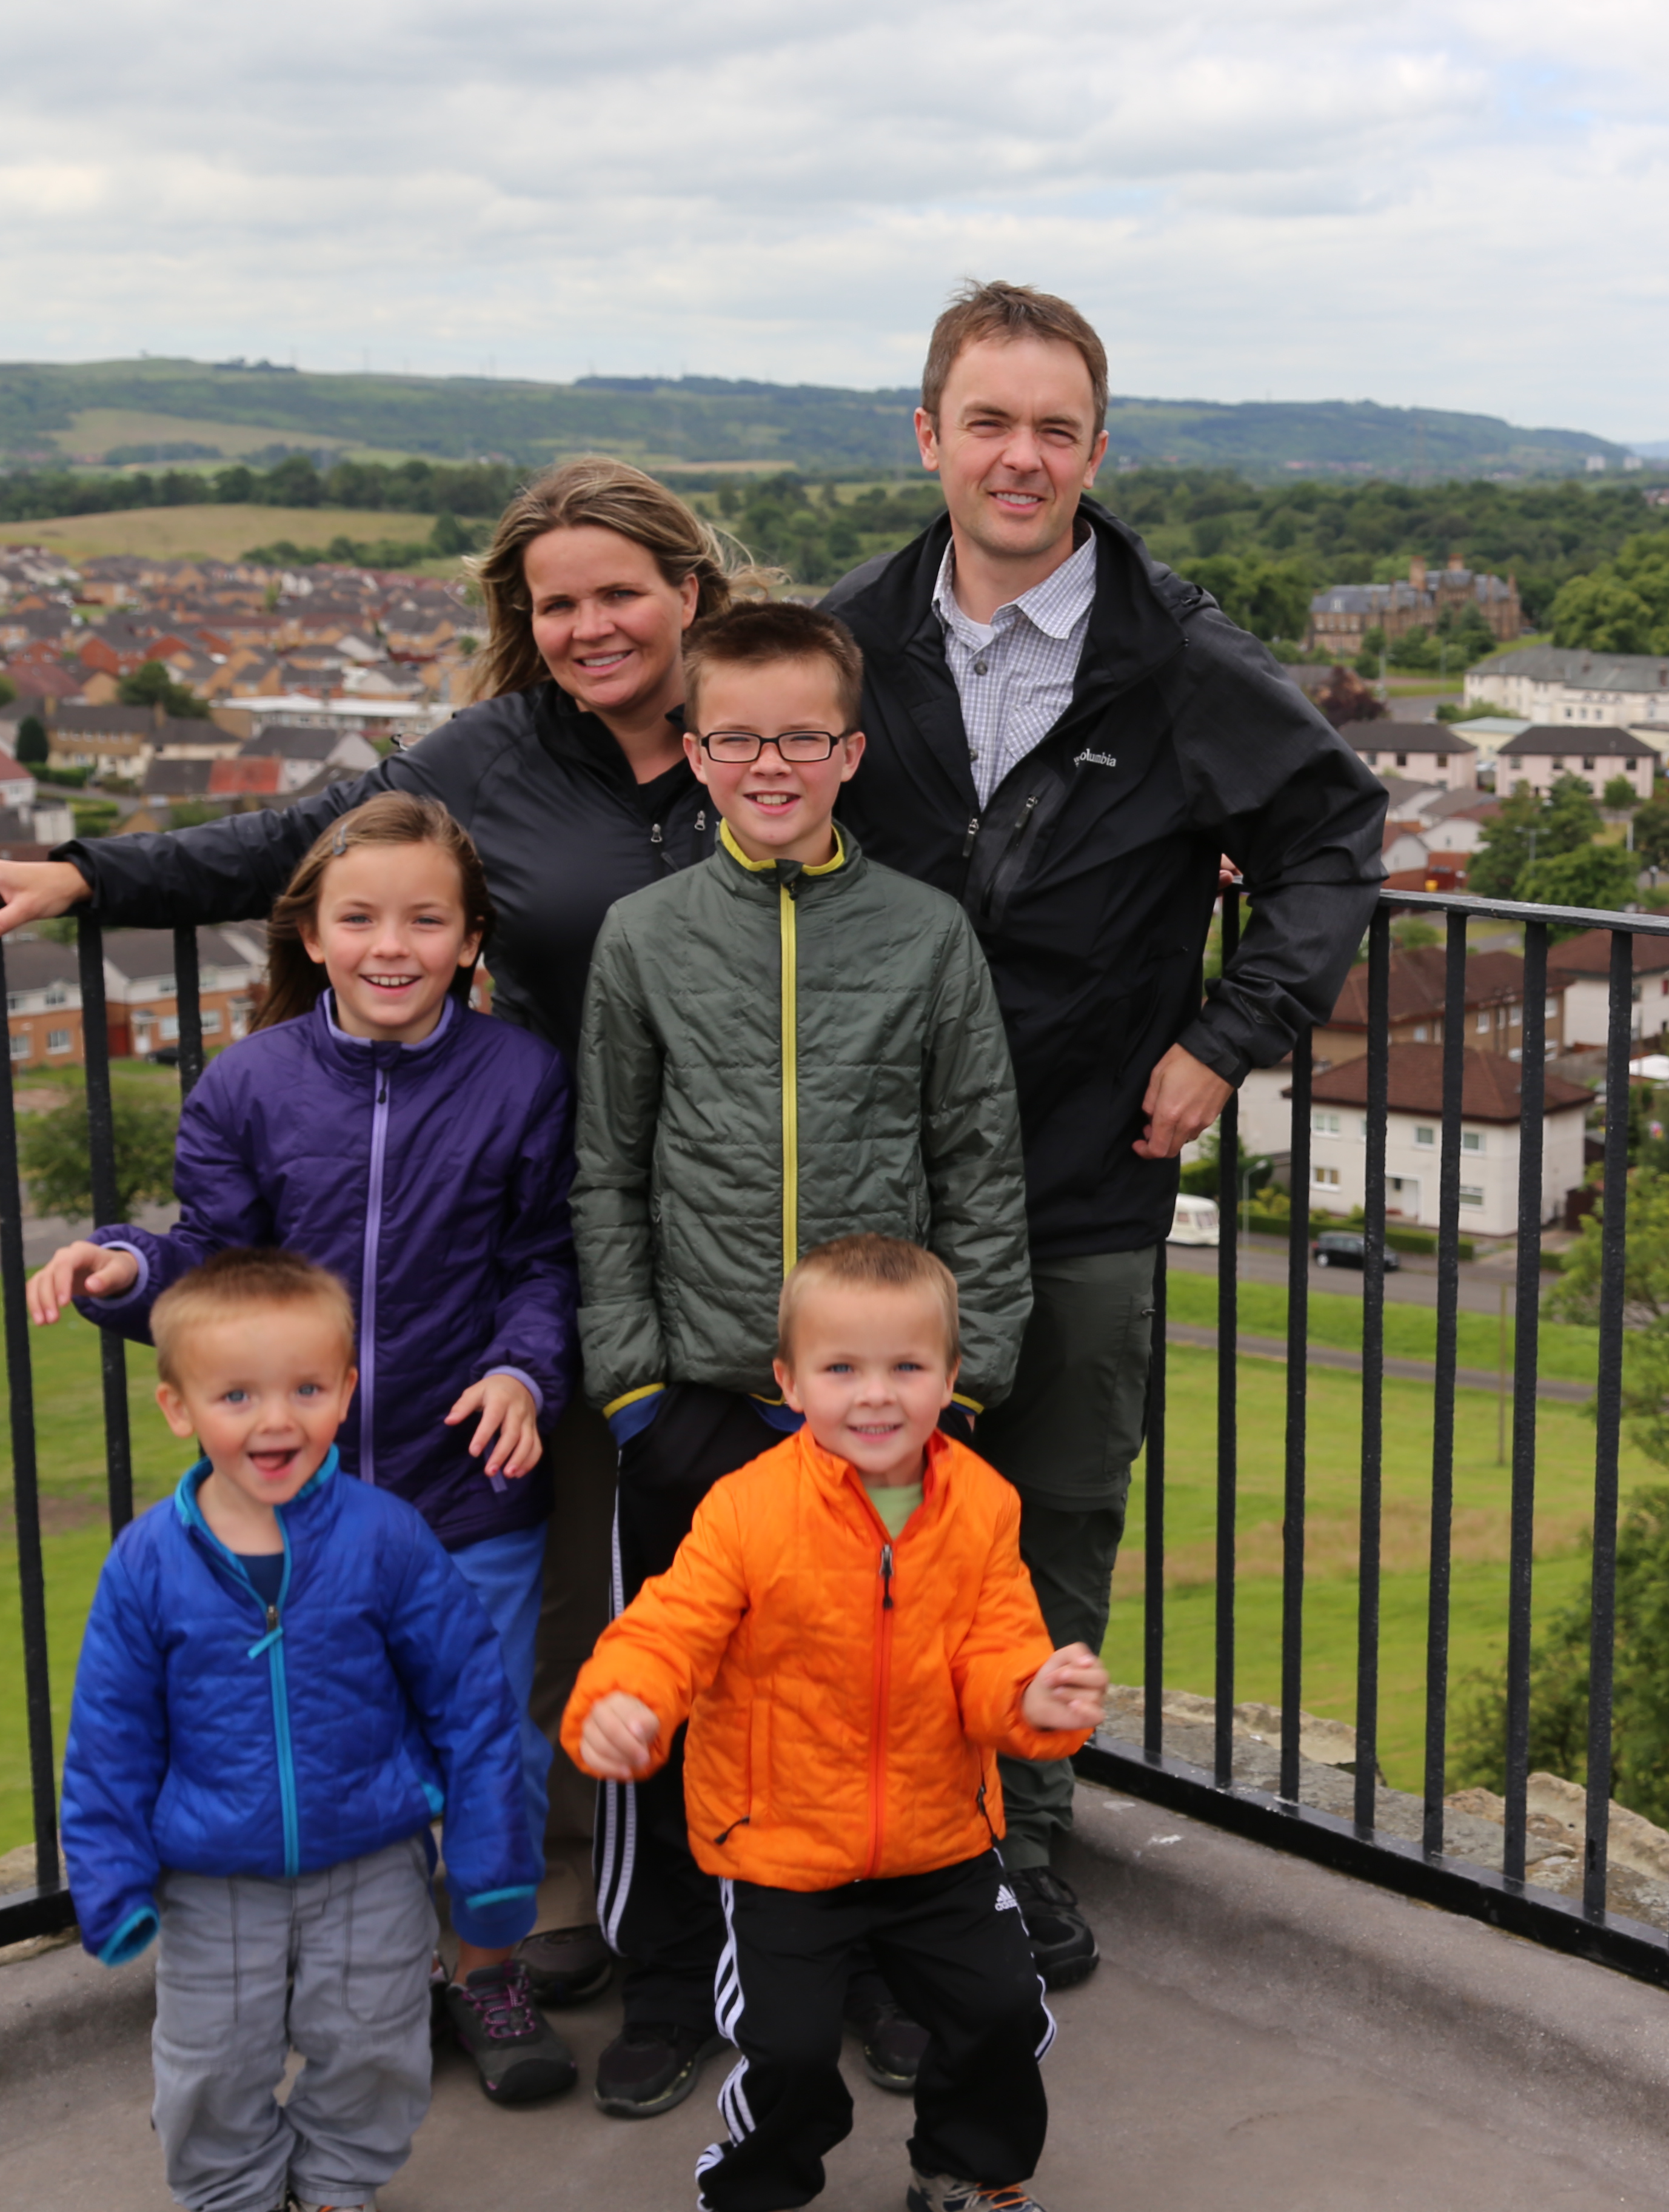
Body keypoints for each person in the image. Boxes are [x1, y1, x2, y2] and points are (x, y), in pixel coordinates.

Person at [0, 457, 771, 2022]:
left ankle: (748, 1921)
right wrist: (89, 875)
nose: (588, 626)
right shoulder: (489, 760)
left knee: (723, 1589)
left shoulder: (764, 734)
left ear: (690, 591)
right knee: (580, 1597)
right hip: (557, 1229)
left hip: (745, 1226)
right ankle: (546, 1926)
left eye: (617, 593)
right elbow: (309, 843)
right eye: (554, 601)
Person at [821, 281, 1385, 2018]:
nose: (1021, 456)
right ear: (928, 438)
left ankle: (1012, 1850)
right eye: (987, 421)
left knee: (1054, 1521)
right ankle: (859, 1859)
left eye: (1055, 428)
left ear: (1097, 450)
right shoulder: (847, 645)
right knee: (858, 1529)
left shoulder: (1178, 660)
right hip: (877, 1184)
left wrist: (1225, 1041)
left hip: (1083, 1165)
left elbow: (1331, 840)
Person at [28, 791, 581, 2104]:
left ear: (469, 937)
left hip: (470, 1497)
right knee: (333, 1752)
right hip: (300, 1510)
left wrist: (522, 1370)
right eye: (361, 918)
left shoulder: (522, 1078)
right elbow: (216, 1263)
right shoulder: (249, 1084)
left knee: (485, 1744)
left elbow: (543, 1265)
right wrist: (126, 1267)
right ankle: (364, 1995)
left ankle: (487, 1972)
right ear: (314, 935)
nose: (392, 945)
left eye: (425, 919)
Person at [572, 597, 1032, 2122]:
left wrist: (959, 1386)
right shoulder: (644, 938)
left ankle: (884, 1971)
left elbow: (978, 1163)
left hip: (883, 1415)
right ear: (693, 751)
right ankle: (664, 1977)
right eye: (739, 737)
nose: (773, 763)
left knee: (879, 1701)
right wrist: (635, 1386)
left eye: (804, 737)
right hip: (698, 1395)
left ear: (850, 749)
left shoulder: (923, 931)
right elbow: (608, 1169)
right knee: (682, 1691)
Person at [567, 1235, 1106, 2212]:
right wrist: (626, 1702)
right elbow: (669, 1627)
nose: (876, 1396)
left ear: (951, 1377)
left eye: (907, 1367)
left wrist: (1029, 1702)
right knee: (790, 2051)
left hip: (941, 1838)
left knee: (1000, 2012)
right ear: (789, 1382)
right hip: (779, 1850)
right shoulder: (745, 1510)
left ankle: (966, 2169)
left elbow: (999, 1649)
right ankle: (753, 2191)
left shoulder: (982, 1506)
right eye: (842, 1368)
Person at [62, 1247, 541, 2212]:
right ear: (178, 1409)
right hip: (211, 1874)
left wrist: (491, 1863)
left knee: (376, 2045)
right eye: (236, 1396)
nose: (276, 1421)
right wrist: (109, 1880)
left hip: (370, 1856)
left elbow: (472, 1704)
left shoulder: (389, 1536)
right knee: (209, 2066)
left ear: (345, 1392)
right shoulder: (147, 1561)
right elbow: (109, 1733)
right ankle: (234, 2193)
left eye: (307, 1389)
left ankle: (334, 2187)